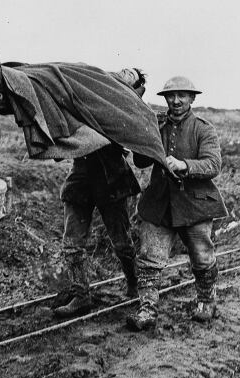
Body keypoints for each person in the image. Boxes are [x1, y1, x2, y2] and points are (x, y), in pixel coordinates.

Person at [126, 76, 228, 331]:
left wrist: (185, 165)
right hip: (159, 204)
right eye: (171, 96)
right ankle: (147, 309)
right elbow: (140, 162)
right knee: (149, 259)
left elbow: (213, 164)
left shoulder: (204, 129)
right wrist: (143, 137)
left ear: (192, 98)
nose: (176, 101)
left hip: (194, 205)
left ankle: (206, 301)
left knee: (202, 257)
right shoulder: (156, 126)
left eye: (182, 95)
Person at [52, 70, 147, 318]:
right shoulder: (90, 98)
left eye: (130, 74)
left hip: (112, 181)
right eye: (123, 69)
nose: (122, 73)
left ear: (136, 86)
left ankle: (134, 283)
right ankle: (81, 296)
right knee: (72, 243)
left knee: (121, 241)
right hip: (81, 179)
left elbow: (140, 147)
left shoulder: (129, 108)